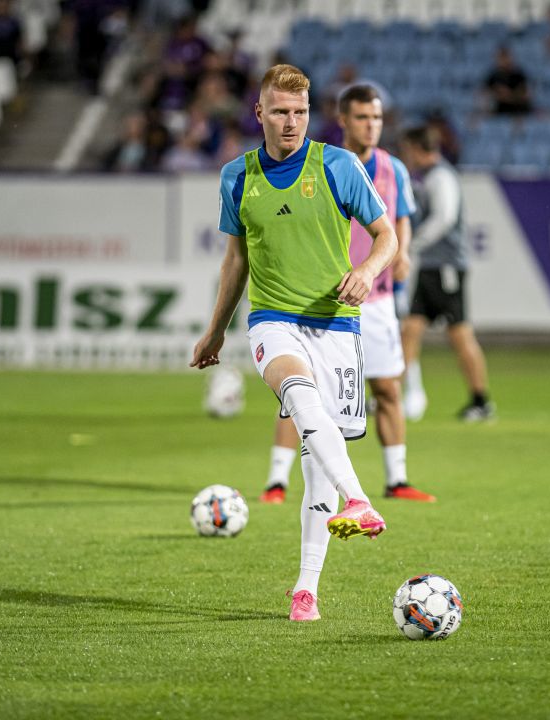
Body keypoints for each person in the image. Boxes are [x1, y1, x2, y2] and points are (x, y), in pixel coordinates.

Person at [190, 64, 399, 622]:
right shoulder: (237, 176)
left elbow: (387, 236)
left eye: (301, 112)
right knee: (296, 392)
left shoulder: (337, 165)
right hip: (272, 319)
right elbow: (236, 260)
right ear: (259, 112)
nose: (291, 122)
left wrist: (367, 271)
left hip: (337, 326)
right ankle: (360, 498)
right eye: (280, 112)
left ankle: (306, 589)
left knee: (316, 463)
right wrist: (216, 329)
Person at [259, 84, 435, 506]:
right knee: (301, 395)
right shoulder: (323, 165)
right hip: (321, 302)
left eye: (376, 118)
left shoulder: (393, 169)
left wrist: (403, 253)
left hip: (374, 300)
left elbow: (400, 220)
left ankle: (397, 479)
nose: (371, 126)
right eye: (362, 118)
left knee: (387, 388)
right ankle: (277, 481)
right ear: (343, 121)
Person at [399, 125, 493, 423]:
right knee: (410, 330)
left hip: (446, 267)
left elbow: (444, 218)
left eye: (408, 149)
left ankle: (481, 400)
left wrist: (411, 244)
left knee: (460, 334)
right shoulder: (430, 176)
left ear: (417, 148)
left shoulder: (441, 176)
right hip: (432, 266)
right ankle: (391, 395)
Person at [483, 47, 531, 116]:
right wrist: (498, 94)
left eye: (506, 57)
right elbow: (485, 95)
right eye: (501, 58)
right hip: (498, 111)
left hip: (517, 110)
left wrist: (507, 95)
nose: (504, 61)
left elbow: (525, 95)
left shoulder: (519, 75)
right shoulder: (492, 76)